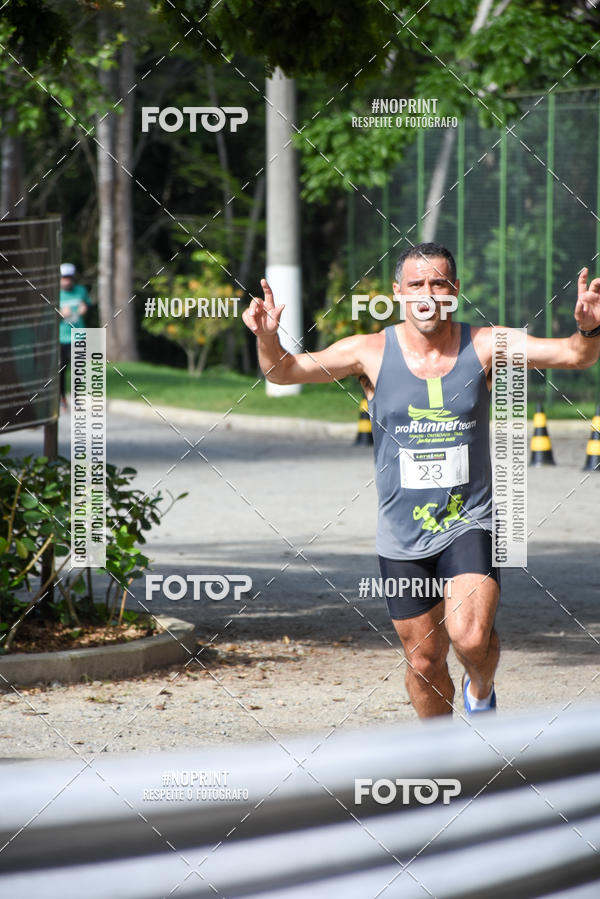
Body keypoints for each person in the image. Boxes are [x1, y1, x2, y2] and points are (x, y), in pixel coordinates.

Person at [242, 242, 600, 719]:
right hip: (402, 535)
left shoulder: (486, 344)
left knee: (470, 637)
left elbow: (575, 355)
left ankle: (481, 688)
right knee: (425, 660)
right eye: (416, 285)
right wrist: (267, 337)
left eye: (438, 283)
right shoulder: (368, 351)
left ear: (455, 290)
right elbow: (283, 372)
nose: (427, 295)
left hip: (469, 521)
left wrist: (589, 327)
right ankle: (442, 753)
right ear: (398, 292)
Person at [59, 262, 91, 411]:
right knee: (61, 370)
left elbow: (87, 305)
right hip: (61, 337)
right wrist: (60, 314)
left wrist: (84, 308)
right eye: (64, 278)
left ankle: (77, 399)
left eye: (69, 278)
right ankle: (62, 398)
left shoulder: (81, 291)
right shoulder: (55, 294)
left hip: (78, 335)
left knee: (78, 369)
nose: (67, 281)